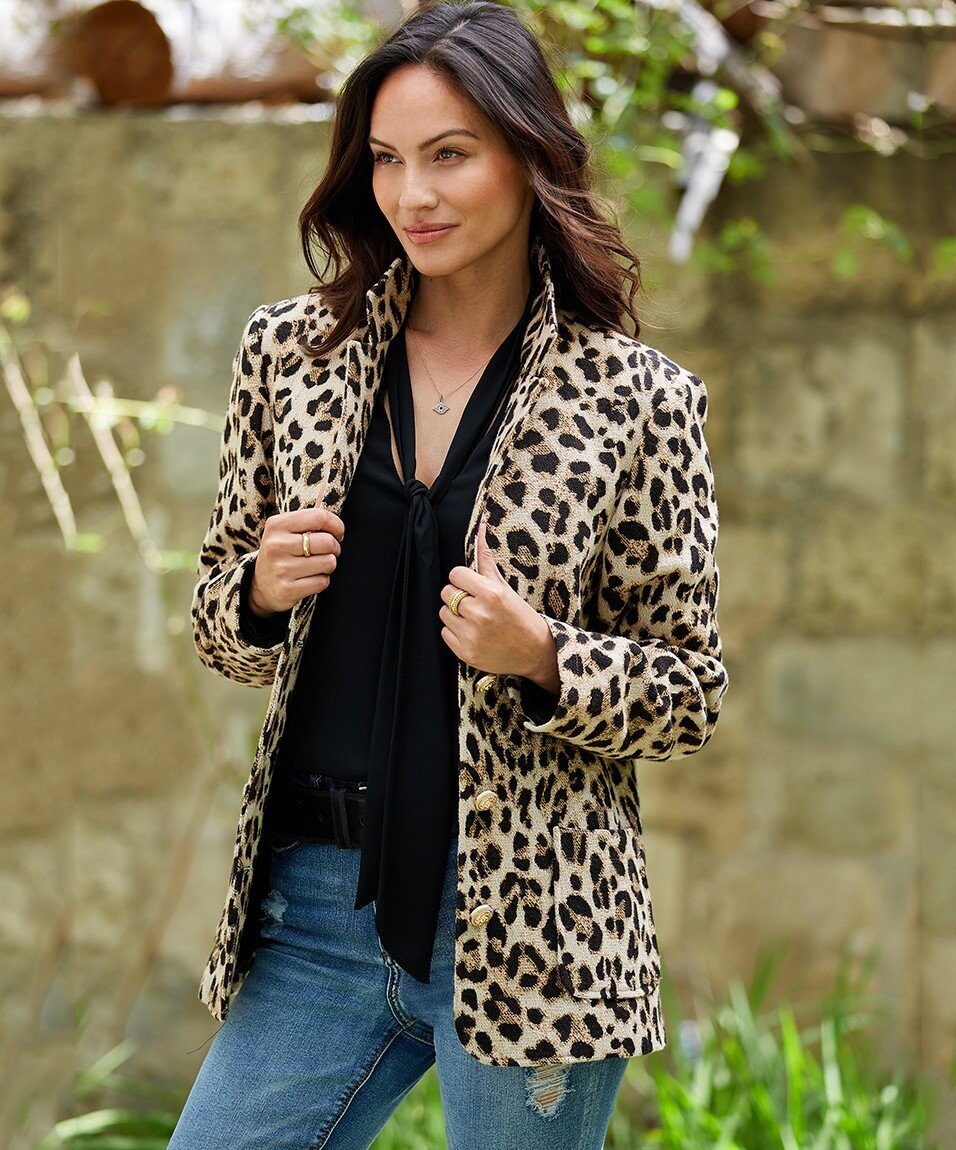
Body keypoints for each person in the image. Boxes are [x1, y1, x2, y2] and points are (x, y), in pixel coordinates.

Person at [170, 2, 728, 1147]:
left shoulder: (635, 398)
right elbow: (219, 622)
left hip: (535, 926)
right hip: (316, 910)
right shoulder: (294, 355)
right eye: (385, 158)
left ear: (526, 154)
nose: (410, 193)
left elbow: (689, 690)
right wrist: (260, 592)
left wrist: (545, 655)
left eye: (448, 155)